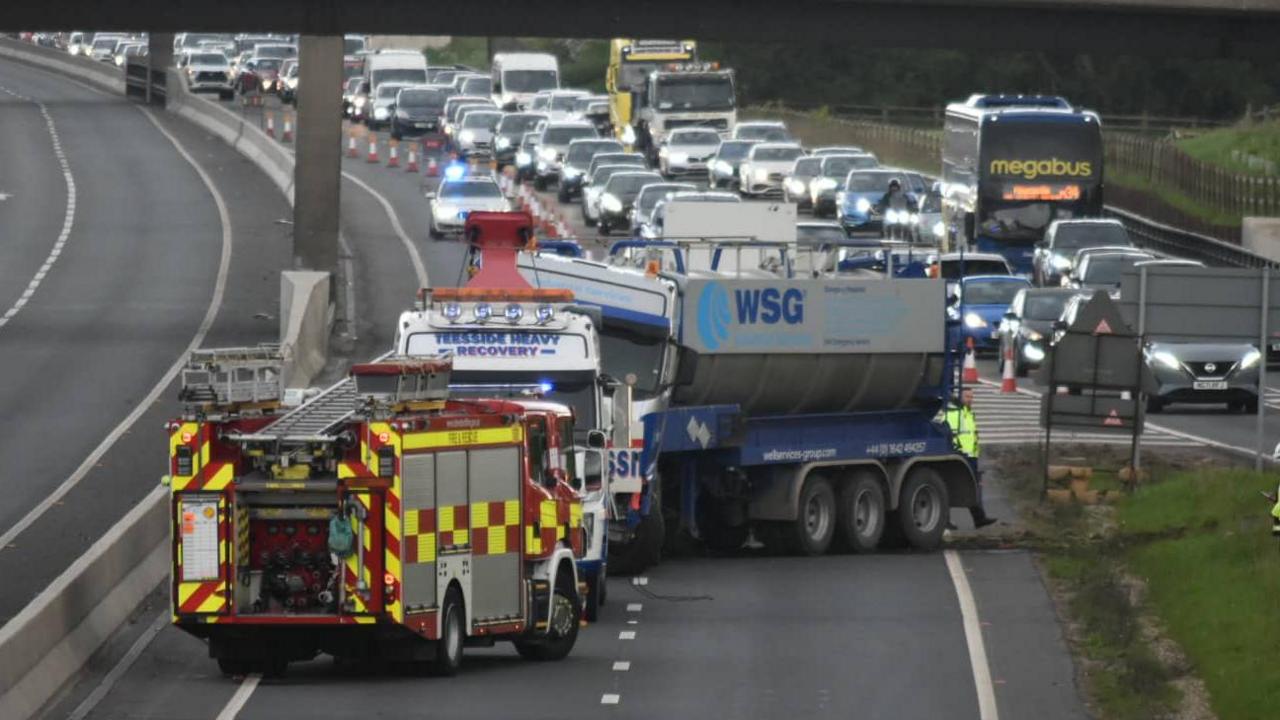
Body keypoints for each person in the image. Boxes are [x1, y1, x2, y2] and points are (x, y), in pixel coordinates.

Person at [944, 388, 997, 529]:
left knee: (974, 487)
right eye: (967, 396)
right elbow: (949, 435)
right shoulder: (954, 413)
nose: (970, 399)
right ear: (959, 397)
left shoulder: (968, 413)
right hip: (960, 456)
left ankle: (979, 518)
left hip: (970, 456)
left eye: (971, 397)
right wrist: (956, 451)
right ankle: (947, 521)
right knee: (951, 486)